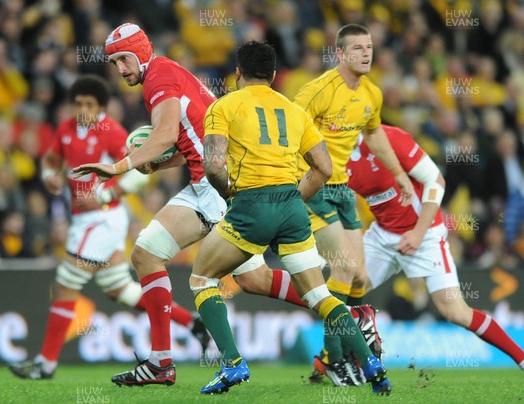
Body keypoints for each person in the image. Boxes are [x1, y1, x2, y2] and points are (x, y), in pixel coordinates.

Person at [189, 40, 390, 395]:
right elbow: (324, 168)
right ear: (275, 76)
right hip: (293, 207)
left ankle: (233, 364)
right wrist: (295, 198)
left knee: (202, 279)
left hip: (251, 204)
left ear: (237, 73)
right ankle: (372, 366)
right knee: (319, 295)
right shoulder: (294, 110)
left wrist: (229, 194)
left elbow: (213, 165)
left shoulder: (224, 106)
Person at [228, 23, 416, 385]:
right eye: (358, 48)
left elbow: (375, 135)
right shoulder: (317, 91)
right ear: (341, 54)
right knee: (343, 271)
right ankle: (335, 360)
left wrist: (401, 176)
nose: (367, 53)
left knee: (360, 277)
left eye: (370, 47)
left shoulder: (371, 95)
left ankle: (329, 358)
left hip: (343, 191)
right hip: (313, 186)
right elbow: (286, 127)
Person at [8, 75, 208, 380]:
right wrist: (50, 175)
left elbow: (142, 174)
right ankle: (190, 322)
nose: (82, 109)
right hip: (83, 220)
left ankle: (45, 364)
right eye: (78, 103)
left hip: (104, 219)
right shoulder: (65, 129)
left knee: (65, 284)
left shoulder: (112, 133)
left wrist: (107, 194)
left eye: (89, 104)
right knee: (120, 290)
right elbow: (49, 160)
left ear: (101, 107)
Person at [72, 23, 232, 387]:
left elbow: (162, 135)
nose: (122, 70)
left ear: (143, 51)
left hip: (214, 184)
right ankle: (161, 361)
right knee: (145, 253)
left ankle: (344, 318)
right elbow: (186, 141)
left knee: (254, 279)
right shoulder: (167, 72)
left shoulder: (157, 77)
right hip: (207, 179)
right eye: (115, 64)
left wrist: (116, 168)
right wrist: (157, 164)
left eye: (125, 59)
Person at [342, 124, 524, 371]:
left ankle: (521, 357)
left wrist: (418, 233)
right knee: (343, 290)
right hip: (382, 235)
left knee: (456, 312)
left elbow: (436, 180)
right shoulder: (333, 155)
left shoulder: (391, 137)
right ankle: (332, 361)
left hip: (424, 233)